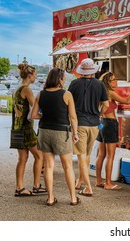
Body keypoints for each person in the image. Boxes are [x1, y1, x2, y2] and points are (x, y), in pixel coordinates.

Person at [31, 68, 80, 206]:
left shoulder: (40, 94)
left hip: (44, 132)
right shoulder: (67, 94)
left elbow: (33, 115)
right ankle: (73, 198)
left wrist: (45, 116)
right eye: (63, 77)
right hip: (61, 132)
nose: (64, 80)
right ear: (59, 79)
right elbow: (73, 117)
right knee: (67, 166)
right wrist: (75, 134)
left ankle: (51, 198)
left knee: (49, 166)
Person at [68, 58, 109, 197]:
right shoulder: (100, 85)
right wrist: (99, 115)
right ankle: (79, 182)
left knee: (81, 156)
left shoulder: (74, 84)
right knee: (86, 156)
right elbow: (106, 105)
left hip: (79, 124)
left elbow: (68, 103)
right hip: (94, 125)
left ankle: (88, 188)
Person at [95, 72, 130, 190]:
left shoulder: (100, 92)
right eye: (113, 80)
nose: (116, 82)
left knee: (101, 155)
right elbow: (126, 101)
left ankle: (99, 181)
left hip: (102, 123)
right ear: (108, 82)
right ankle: (108, 183)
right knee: (110, 155)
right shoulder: (110, 93)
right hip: (110, 124)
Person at [12, 63, 47, 197]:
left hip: (16, 128)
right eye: (35, 74)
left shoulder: (16, 89)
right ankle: (37, 185)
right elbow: (35, 107)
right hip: (26, 128)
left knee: (22, 159)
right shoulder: (27, 90)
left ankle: (19, 187)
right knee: (39, 156)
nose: (36, 76)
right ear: (29, 75)